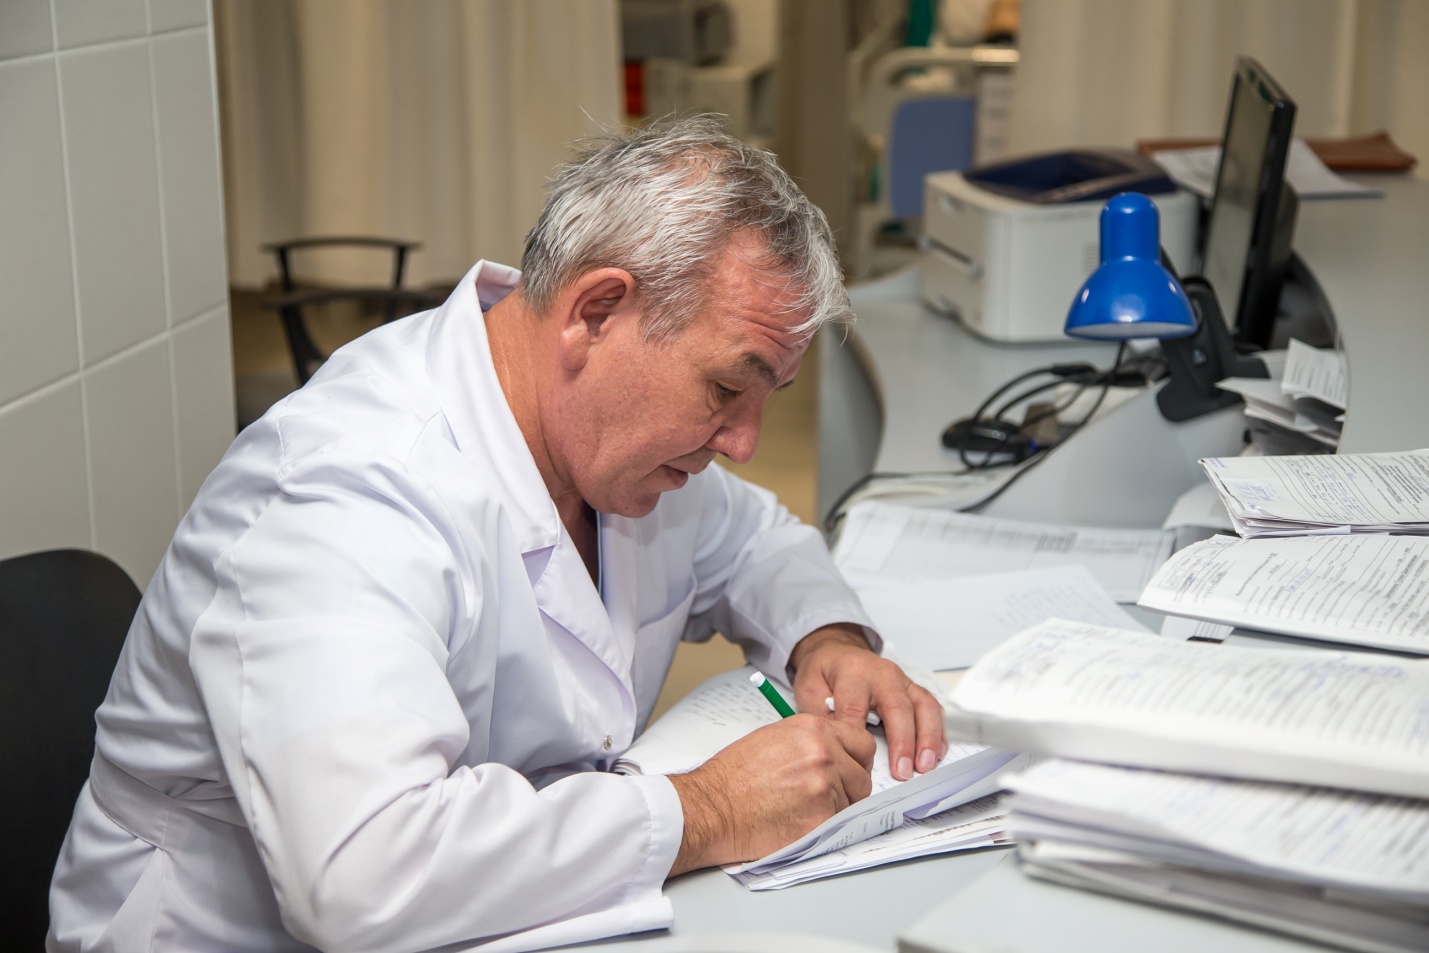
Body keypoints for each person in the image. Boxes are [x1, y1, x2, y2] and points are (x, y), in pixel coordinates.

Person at [48, 116, 945, 952]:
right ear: (595, 312)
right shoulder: (346, 489)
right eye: (724, 389)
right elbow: (361, 875)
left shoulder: (615, 447)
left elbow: (756, 542)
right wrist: (708, 808)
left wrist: (827, 639)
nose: (744, 442)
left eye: (765, 399)